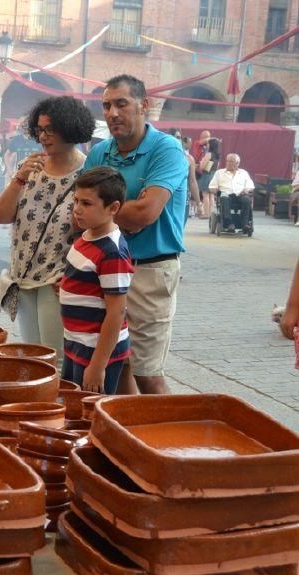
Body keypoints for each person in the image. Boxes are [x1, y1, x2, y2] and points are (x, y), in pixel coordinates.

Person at [83, 74, 188, 396]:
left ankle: (170, 440)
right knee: (119, 364)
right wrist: (121, 212)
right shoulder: (100, 152)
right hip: (105, 268)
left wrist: (105, 212)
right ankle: (133, 433)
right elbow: (80, 212)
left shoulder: (166, 149)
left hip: (150, 270)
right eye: (106, 106)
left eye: (121, 103)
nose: (112, 113)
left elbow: (146, 214)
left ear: (145, 105)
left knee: (147, 372)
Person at [0, 96, 96, 358]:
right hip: (23, 275)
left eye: (51, 129)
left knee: (56, 360)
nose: (43, 136)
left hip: (59, 279)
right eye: (39, 129)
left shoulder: (89, 172)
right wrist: (18, 179)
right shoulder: (29, 167)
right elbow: (1, 216)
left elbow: (96, 229)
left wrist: (79, 275)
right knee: (32, 358)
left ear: (70, 127)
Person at [60, 167, 134, 393]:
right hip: (76, 341)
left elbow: (116, 312)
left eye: (87, 204)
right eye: (76, 201)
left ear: (113, 208)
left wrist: (97, 366)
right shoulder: (87, 235)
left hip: (95, 349)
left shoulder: (112, 252)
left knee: (88, 415)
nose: (77, 210)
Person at [208, 153, 254, 232]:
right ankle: (229, 224)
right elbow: (212, 187)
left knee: (247, 200)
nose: (228, 163)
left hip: (240, 195)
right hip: (226, 195)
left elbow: (250, 186)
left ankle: (244, 224)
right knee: (224, 198)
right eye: (227, 161)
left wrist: (246, 190)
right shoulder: (219, 173)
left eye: (231, 161)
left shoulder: (244, 173)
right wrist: (215, 190)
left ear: (237, 163)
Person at [168, 128, 200, 219]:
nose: (175, 139)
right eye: (172, 136)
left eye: (178, 137)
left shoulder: (189, 159)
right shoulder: (160, 156)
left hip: (182, 199)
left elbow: (192, 181)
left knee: (180, 228)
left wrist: (199, 203)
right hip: (164, 197)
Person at [197, 137, 221, 219]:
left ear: (211, 145)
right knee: (212, 195)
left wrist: (201, 163)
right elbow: (217, 166)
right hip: (214, 174)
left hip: (207, 175)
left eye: (207, 143)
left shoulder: (209, 154)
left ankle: (206, 213)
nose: (206, 145)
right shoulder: (217, 155)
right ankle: (212, 213)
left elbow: (202, 166)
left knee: (205, 194)